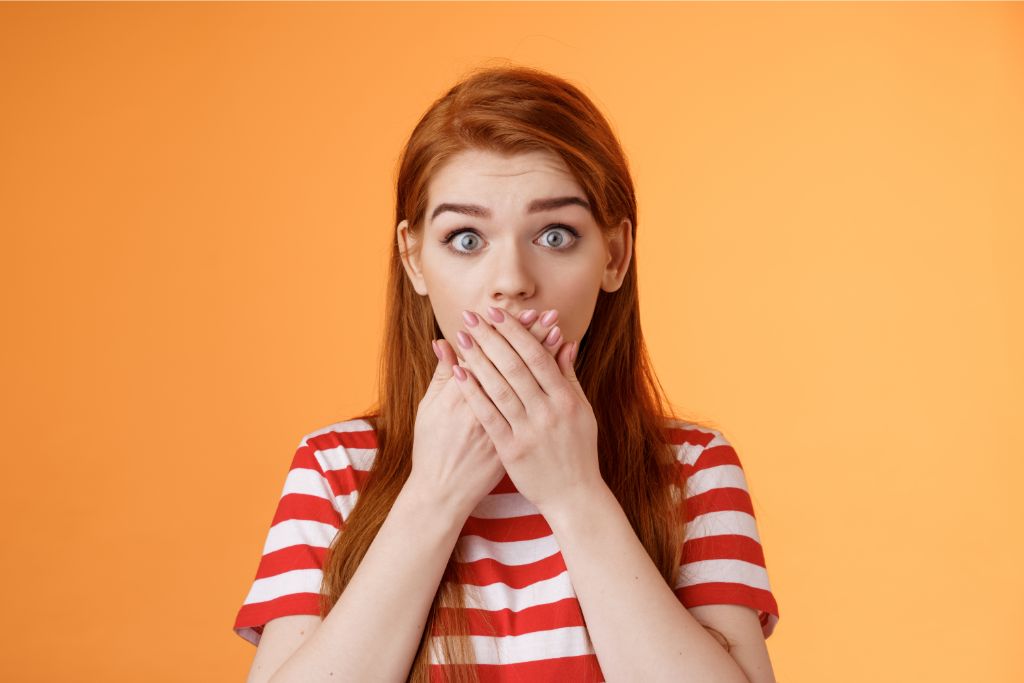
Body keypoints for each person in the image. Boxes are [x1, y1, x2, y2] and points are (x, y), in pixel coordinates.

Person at [233, 64, 780, 683]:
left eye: (554, 234)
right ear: (414, 260)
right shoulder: (334, 470)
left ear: (615, 255)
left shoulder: (692, 470)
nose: (511, 281)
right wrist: (433, 496)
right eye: (466, 238)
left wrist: (575, 493)